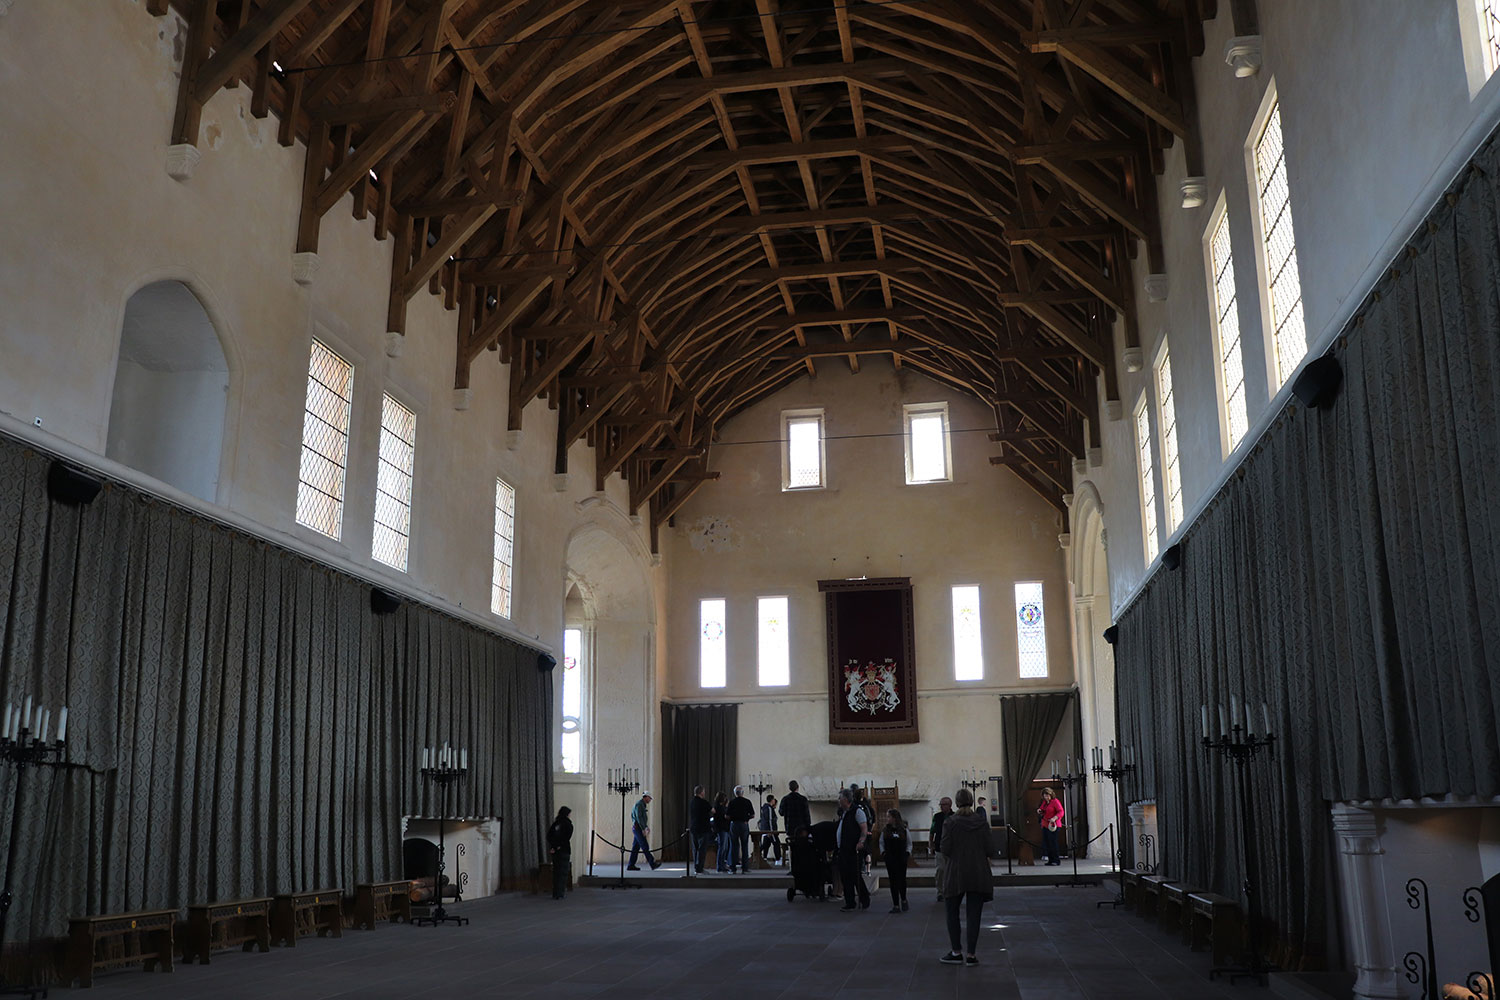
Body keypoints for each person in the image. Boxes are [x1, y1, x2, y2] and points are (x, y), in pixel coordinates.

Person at [938, 787, 993, 966]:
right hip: (978, 872)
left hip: (956, 872)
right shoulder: (981, 822)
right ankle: (971, 955)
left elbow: (944, 848)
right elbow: (990, 848)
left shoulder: (950, 822)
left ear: (956, 802)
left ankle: (956, 952)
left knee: (952, 912)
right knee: (974, 914)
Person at [835, 789, 870, 912]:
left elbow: (864, 828)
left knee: (855, 875)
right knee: (845, 876)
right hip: (843, 849)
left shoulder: (857, 811)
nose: (838, 801)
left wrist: (861, 841)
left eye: (840, 798)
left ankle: (864, 898)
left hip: (853, 849)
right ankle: (850, 902)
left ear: (845, 799)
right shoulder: (844, 812)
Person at [881, 808, 910, 913]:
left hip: (901, 857)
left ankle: (903, 899)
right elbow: (881, 843)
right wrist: (883, 853)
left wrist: (907, 853)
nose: (887, 818)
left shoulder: (904, 829)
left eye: (888, 816)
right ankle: (896, 905)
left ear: (894, 818)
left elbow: (909, 843)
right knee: (893, 881)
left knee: (902, 880)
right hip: (890, 858)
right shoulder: (885, 830)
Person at [627, 792, 662, 871]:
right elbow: (639, 818)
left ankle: (631, 865)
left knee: (635, 847)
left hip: (637, 828)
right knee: (644, 845)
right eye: (649, 798)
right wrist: (644, 828)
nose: (650, 800)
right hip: (638, 828)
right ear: (645, 797)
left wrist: (645, 827)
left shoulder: (641, 805)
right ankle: (652, 863)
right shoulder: (639, 805)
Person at [546, 806, 573, 899]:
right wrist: (559, 846)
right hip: (564, 850)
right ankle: (560, 893)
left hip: (555, 851)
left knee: (556, 872)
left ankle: (555, 892)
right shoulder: (568, 824)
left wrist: (554, 846)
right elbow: (566, 838)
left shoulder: (556, 823)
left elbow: (549, 836)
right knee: (563, 872)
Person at [728, 785, 756, 873]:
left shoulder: (732, 802)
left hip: (734, 824)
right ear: (742, 793)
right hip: (744, 824)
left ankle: (733, 868)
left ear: (735, 793)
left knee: (734, 846)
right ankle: (745, 868)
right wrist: (746, 819)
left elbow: (727, 815)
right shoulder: (747, 802)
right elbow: (753, 815)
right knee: (745, 846)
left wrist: (733, 818)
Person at [930, 796, 953, 900]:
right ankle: (940, 891)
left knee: (952, 870)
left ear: (949, 805)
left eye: (944, 804)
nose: (942, 807)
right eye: (941, 804)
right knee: (940, 869)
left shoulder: (954, 816)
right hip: (939, 847)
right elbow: (932, 830)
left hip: (952, 848)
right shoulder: (937, 816)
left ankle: (951, 890)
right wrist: (931, 844)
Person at [688, 785, 712, 874]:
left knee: (695, 849)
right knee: (702, 849)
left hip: (694, 828)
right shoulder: (704, 802)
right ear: (701, 792)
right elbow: (713, 811)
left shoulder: (692, 802)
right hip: (703, 828)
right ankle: (700, 868)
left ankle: (696, 867)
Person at [1038, 786, 1065, 866]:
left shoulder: (1055, 801)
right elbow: (1043, 810)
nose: (1046, 797)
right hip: (1045, 825)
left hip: (1053, 825)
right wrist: (1040, 811)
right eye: (1045, 795)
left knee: (1053, 842)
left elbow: (1061, 811)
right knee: (1047, 843)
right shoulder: (1045, 803)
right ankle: (1050, 860)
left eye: (1048, 795)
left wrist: (1055, 818)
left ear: (1051, 795)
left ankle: (1056, 860)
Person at [759, 793, 782, 865]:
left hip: (765, 829)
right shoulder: (768, 808)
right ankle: (778, 859)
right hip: (770, 830)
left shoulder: (765, 808)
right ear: (772, 800)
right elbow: (770, 820)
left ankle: (763, 857)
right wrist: (771, 831)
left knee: (766, 844)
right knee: (776, 843)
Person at [712, 791, 732, 872]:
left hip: (724, 829)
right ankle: (720, 866)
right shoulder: (719, 808)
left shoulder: (719, 807)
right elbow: (724, 817)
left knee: (725, 848)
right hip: (721, 829)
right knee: (722, 848)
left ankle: (722, 864)